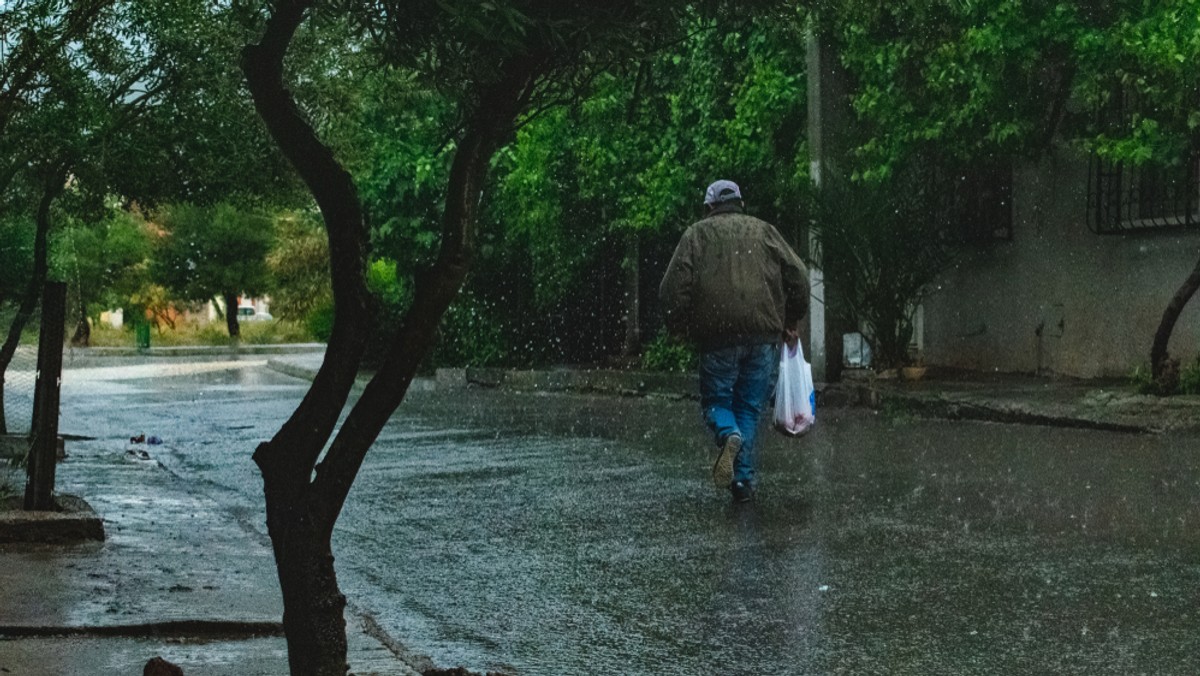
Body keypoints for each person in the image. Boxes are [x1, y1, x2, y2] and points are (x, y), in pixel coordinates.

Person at [659, 179, 809, 502]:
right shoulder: (766, 231)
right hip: (763, 337)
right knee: (749, 407)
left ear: (709, 208)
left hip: (717, 338)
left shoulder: (695, 236)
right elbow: (798, 275)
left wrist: (678, 324)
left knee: (717, 402)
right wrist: (791, 318)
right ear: (740, 203)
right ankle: (742, 480)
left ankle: (729, 435)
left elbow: (672, 290)